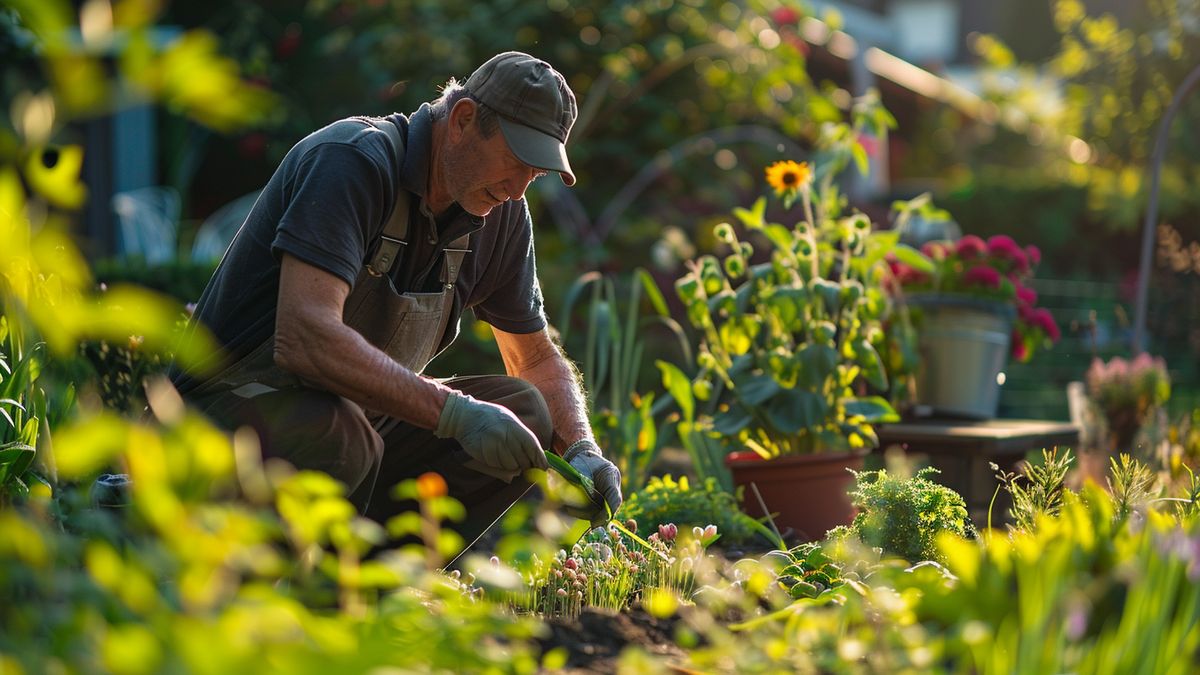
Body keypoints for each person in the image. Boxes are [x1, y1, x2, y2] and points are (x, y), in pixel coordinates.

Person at [171, 52, 622, 551]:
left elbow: (533, 357)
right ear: (463, 120)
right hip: (218, 417)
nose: (518, 190)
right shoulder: (352, 162)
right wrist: (454, 412)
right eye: (516, 161)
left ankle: (381, 597)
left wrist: (581, 447)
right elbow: (304, 337)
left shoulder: (501, 213)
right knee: (342, 434)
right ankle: (283, 599)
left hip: (353, 420)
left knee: (524, 410)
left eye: (534, 174)